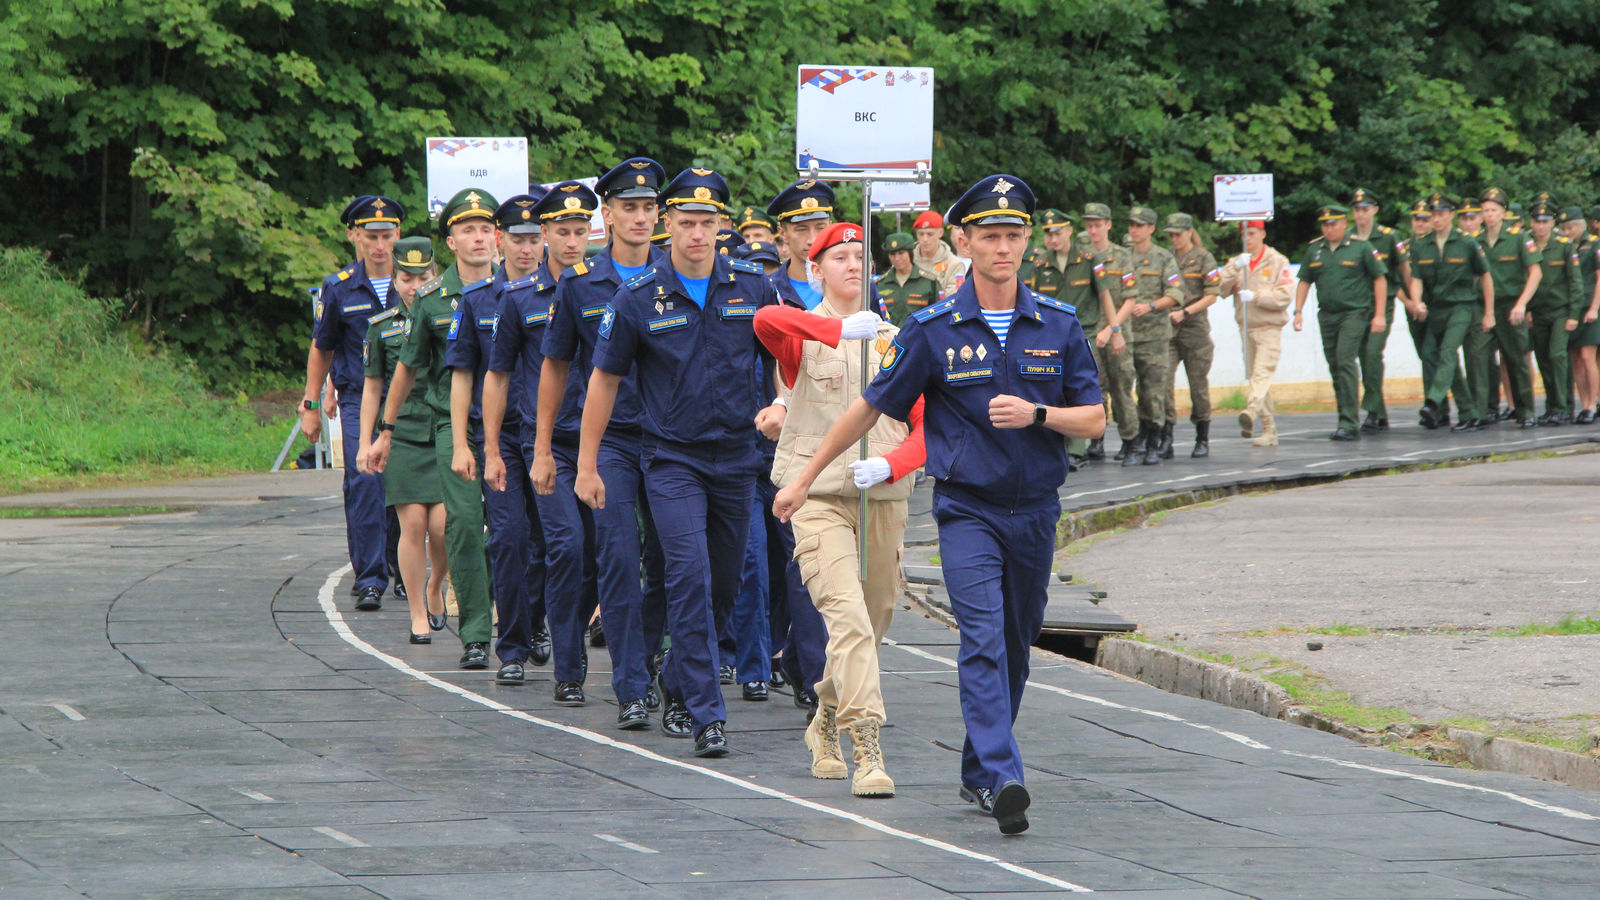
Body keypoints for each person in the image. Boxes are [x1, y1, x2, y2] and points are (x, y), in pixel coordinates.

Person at [774, 174, 1103, 834]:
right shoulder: (932, 328)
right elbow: (870, 407)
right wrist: (806, 474)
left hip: (1036, 509)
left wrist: (1039, 413)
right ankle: (1004, 773)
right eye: (989, 236)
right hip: (967, 510)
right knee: (980, 636)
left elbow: (1094, 418)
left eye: (1013, 235)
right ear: (965, 242)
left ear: (1026, 240)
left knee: (1015, 640)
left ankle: (980, 765)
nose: (1002, 248)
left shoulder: (1060, 326)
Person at [580, 167, 779, 758]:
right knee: (686, 574)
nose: (698, 234)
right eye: (686, 222)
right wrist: (586, 464)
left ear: (721, 227)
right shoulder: (637, 298)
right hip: (671, 460)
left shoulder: (753, 288)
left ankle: (676, 674)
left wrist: (784, 406)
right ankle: (705, 712)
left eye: (708, 223)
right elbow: (603, 381)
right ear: (668, 225)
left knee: (723, 582)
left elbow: (782, 362)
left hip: (737, 458)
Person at [754, 222, 926, 798]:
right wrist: (832, 328)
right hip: (817, 497)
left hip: (882, 495)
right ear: (816, 269)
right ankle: (867, 746)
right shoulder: (802, 333)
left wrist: (895, 464)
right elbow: (765, 323)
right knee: (847, 620)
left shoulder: (899, 339)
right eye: (840, 257)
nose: (853, 265)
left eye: (860, 256)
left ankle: (826, 714)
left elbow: (929, 426)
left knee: (872, 625)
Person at [537, 160, 670, 726]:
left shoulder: (677, 275)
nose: (640, 217)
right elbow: (555, 367)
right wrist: (544, 449)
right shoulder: (580, 285)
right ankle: (631, 685)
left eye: (648, 207)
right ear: (607, 215)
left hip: (670, 440)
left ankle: (658, 660)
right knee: (616, 556)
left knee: (671, 563)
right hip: (611, 440)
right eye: (629, 207)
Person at [364, 188, 498, 670]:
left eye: (485, 228)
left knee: (518, 532)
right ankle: (477, 634)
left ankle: (529, 625)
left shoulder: (517, 290)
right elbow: (405, 368)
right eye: (468, 229)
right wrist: (386, 430)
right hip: (450, 425)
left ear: (496, 236)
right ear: (452, 240)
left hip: (512, 426)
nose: (478, 237)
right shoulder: (434, 301)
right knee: (461, 526)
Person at [304, 195, 403, 611]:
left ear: (398, 234)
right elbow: (322, 348)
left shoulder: (416, 281)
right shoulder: (339, 287)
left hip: (409, 402)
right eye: (371, 236)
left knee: (404, 486)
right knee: (365, 483)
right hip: (359, 398)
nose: (380, 246)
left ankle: (402, 568)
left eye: (387, 236)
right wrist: (311, 402)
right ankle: (370, 577)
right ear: (354, 235)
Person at [356, 236, 448, 641]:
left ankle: (435, 585)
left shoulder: (450, 316)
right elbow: (372, 388)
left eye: (423, 277)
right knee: (412, 526)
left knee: (445, 527)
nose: (415, 286)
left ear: (437, 276)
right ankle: (416, 612)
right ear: (394, 280)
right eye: (407, 278)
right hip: (404, 435)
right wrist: (366, 440)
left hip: (445, 429)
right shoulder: (382, 327)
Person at [1293, 205, 1387, 441]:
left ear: (1344, 224)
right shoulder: (1315, 250)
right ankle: (1344, 416)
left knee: (1345, 360)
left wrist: (1379, 314)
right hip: (1327, 315)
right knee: (1335, 365)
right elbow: (1304, 281)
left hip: (1354, 313)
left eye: (1333, 223)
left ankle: (1349, 422)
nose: (1329, 228)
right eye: (1325, 224)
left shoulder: (1360, 247)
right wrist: (1298, 311)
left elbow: (1380, 278)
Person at [1408, 193, 1493, 431]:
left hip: (1461, 306)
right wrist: (1417, 301)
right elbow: (1416, 279)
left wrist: (1489, 312)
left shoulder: (1466, 243)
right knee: (1436, 355)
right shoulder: (1421, 245)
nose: (1436, 219)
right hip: (1436, 309)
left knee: (1447, 351)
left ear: (1451, 216)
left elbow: (1485, 276)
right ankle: (1469, 413)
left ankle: (1433, 401)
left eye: (1441, 214)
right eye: (1433, 214)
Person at [1217, 220, 1294, 446]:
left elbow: (1285, 294)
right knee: (1257, 377)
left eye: (1251, 233)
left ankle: (1251, 410)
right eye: (1244, 234)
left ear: (1262, 234)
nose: (1247, 239)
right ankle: (1269, 430)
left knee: (1262, 372)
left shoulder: (1278, 261)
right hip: (1246, 327)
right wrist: (1233, 268)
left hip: (1269, 326)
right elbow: (1219, 289)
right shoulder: (1237, 262)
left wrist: (1258, 296)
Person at [1121, 205, 1182, 465]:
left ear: (1151, 229)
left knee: (1152, 391)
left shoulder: (1164, 258)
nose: (1134, 230)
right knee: (1124, 389)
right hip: (1127, 334)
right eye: (1132, 225)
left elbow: (1177, 294)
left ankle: (1155, 441)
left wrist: (1151, 306)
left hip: (1154, 335)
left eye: (1140, 226)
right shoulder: (1122, 257)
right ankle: (1135, 439)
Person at [1476, 187, 1540, 428]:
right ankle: (1481, 411)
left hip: (1511, 304)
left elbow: (1535, 273)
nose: (1489, 215)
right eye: (1485, 211)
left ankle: (1525, 411)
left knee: (1517, 359)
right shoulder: (1475, 241)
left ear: (1503, 213)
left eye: (1493, 210)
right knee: (1479, 358)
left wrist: (1522, 304)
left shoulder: (1518, 238)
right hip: (1483, 307)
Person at [1349, 189, 1410, 432]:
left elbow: (1404, 270)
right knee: (1364, 356)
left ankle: (1373, 410)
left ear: (1374, 210)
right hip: (1356, 305)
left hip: (1381, 305)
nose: (1360, 214)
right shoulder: (1348, 237)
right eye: (1356, 210)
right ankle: (1380, 411)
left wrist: (1413, 299)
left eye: (1365, 209)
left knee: (1373, 354)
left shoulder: (1388, 236)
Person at [1081, 204, 1138, 460]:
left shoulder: (1122, 257)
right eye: (1089, 225)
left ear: (1108, 225)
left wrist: (1111, 329)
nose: (1093, 230)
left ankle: (1130, 441)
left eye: (1097, 225)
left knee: (1121, 388)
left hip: (1116, 333)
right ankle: (1097, 441)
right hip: (1091, 334)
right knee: (1095, 390)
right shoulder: (1082, 255)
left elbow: (1130, 299)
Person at [1162, 213, 1220, 457]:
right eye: (1171, 235)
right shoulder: (1167, 258)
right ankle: (1166, 437)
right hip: (1169, 328)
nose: (1174, 238)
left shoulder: (1203, 257)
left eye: (1178, 234)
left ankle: (1202, 435)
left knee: (1198, 386)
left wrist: (1186, 311)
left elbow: (1212, 294)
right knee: (1163, 383)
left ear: (1189, 232)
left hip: (1194, 328)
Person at [1522, 199, 1582, 425]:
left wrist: (1573, 314)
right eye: (1537, 221)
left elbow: (1574, 282)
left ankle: (1563, 406)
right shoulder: (1526, 243)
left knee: (1557, 355)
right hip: (1538, 311)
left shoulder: (1564, 245)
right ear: (1531, 222)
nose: (1541, 226)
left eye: (1545, 221)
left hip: (1560, 310)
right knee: (1544, 359)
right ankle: (1552, 406)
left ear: (1552, 222)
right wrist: (1526, 308)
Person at [1559, 206, 1600, 422]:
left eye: (1571, 227)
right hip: (1572, 307)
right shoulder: (1564, 248)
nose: (1568, 232)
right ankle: (1584, 404)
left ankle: (1593, 404)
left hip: (1590, 307)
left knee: (1587, 355)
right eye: (1564, 228)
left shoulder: (1594, 244)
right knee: (1575, 357)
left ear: (1582, 225)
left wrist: (1594, 307)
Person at [877, 231, 941, 324]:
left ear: (910, 253)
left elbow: (939, 315)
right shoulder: (880, 284)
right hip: (889, 337)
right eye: (892, 254)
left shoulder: (929, 282)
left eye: (901, 253)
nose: (897, 258)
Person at [910, 209, 964, 297]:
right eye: (921, 234)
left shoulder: (954, 264)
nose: (925, 239)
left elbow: (953, 298)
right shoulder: (907, 260)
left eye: (930, 234)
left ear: (940, 233)